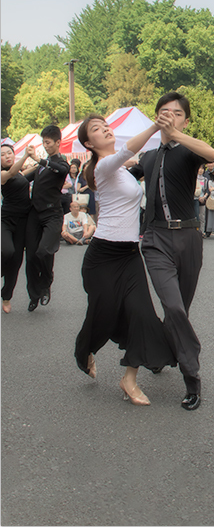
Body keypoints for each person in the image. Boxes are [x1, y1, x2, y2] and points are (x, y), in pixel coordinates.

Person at [74, 112, 177, 405]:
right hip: (103, 255)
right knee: (103, 313)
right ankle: (85, 349)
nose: (106, 130)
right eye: (97, 129)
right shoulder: (102, 167)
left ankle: (129, 379)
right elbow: (126, 152)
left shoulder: (120, 168)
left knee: (142, 316)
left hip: (130, 254)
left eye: (107, 126)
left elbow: (131, 160)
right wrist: (155, 126)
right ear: (87, 142)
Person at [129, 92, 214, 410]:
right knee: (174, 307)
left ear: (186, 120)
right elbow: (122, 173)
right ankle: (192, 376)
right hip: (155, 241)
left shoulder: (188, 150)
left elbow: (212, 154)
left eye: (177, 113)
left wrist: (176, 134)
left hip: (189, 238)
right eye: (164, 112)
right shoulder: (148, 157)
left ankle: (161, 352)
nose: (170, 116)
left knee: (179, 308)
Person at [25, 125, 70, 312]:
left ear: (58, 142)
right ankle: (34, 295)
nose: (45, 145)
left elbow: (61, 170)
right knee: (31, 257)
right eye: (43, 142)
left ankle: (46, 282)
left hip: (52, 214)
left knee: (44, 251)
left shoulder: (60, 163)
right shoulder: (40, 167)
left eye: (48, 142)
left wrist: (39, 160)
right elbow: (21, 179)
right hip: (34, 213)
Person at [1, 144, 34, 313]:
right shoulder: (3, 174)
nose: (7, 156)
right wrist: (25, 156)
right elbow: (12, 173)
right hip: (6, 220)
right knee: (6, 251)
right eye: (3, 154)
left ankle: (6, 297)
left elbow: (24, 174)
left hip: (23, 221)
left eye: (9, 153)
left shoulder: (21, 173)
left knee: (16, 261)